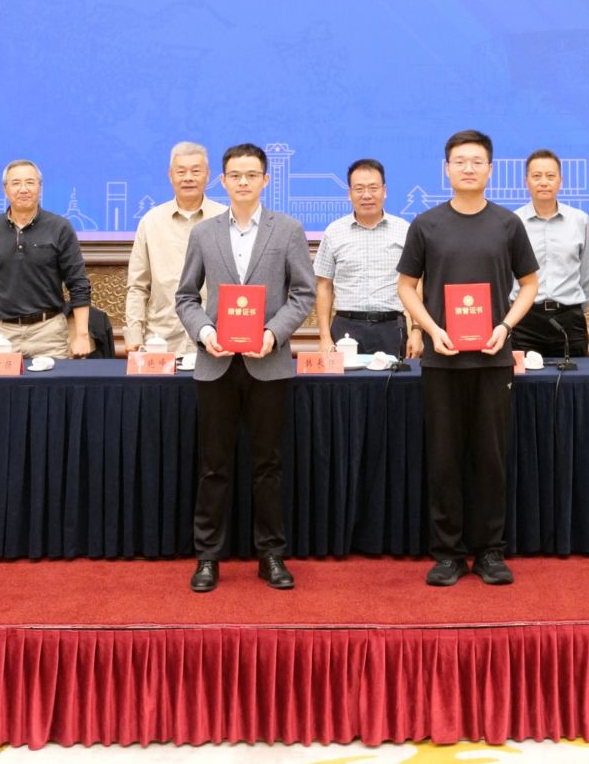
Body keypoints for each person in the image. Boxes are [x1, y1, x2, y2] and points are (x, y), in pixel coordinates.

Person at [397, 129, 539, 587]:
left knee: (491, 458)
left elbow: (530, 284)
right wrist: (431, 329)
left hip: (493, 360)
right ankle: (448, 553)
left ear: (490, 169)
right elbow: (406, 287)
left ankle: (491, 550)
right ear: (447, 169)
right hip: (442, 360)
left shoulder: (507, 224)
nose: (468, 168)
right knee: (444, 458)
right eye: (460, 161)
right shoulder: (426, 224)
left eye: (477, 161)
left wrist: (505, 326)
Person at [173, 144, 316, 593]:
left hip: (268, 363)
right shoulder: (204, 233)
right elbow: (185, 297)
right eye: (235, 175)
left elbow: (303, 294)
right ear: (223, 181)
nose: (243, 182)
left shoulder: (288, 230)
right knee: (213, 465)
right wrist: (204, 332)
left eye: (252, 175)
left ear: (265, 180)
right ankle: (208, 557)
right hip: (215, 363)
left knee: (268, 465)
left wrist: (273, 333)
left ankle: (270, 554)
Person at [0, 160, 95, 359]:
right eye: (16, 183)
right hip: (1, 334)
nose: (23, 189)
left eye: (30, 182)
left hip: (48, 333)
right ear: (5, 190)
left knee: (53, 381)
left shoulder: (60, 227)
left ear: (40, 188)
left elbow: (79, 284)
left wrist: (82, 336)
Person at [123, 142, 225, 353]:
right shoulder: (151, 222)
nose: (188, 178)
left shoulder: (225, 220)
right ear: (170, 175)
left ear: (207, 175)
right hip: (161, 340)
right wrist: (134, 334)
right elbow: (138, 285)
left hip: (215, 339)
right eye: (181, 172)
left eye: (196, 171)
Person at [313, 158, 416, 359]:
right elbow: (324, 286)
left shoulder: (404, 230)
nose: (366, 195)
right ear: (349, 193)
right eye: (359, 189)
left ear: (384, 191)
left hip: (391, 328)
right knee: (347, 381)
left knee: (392, 380)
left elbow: (415, 284)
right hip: (346, 327)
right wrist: (324, 337)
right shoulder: (334, 232)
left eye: (373, 188)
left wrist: (416, 331)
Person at [510, 149, 589, 360]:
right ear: (526, 181)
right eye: (536, 176)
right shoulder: (512, 222)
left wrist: (575, 307)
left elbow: (586, 272)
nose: (544, 182)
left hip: (569, 320)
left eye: (550, 176)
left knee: (575, 379)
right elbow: (506, 274)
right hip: (524, 320)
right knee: (524, 380)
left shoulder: (579, 220)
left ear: (560, 181)